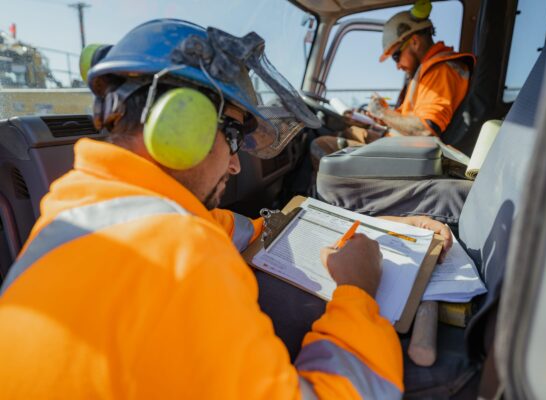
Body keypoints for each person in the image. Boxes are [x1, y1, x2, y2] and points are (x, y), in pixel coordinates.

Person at [0, 19, 451, 398]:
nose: (236, 164)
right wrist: (358, 291)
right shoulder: (183, 256)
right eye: (233, 136)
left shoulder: (74, 206)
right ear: (183, 124)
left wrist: (365, 225)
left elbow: (227, 228)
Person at [310, 1, 475, 166]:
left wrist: (382, 112)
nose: (397, 66)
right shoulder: (426, 72)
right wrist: (381, 117)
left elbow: (424, 130)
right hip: (400, 146)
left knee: (321, 146)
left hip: (409, 158)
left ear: (415, 42)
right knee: (348, 132)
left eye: (396, 56)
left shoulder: (441, 71)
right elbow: (411, 119)